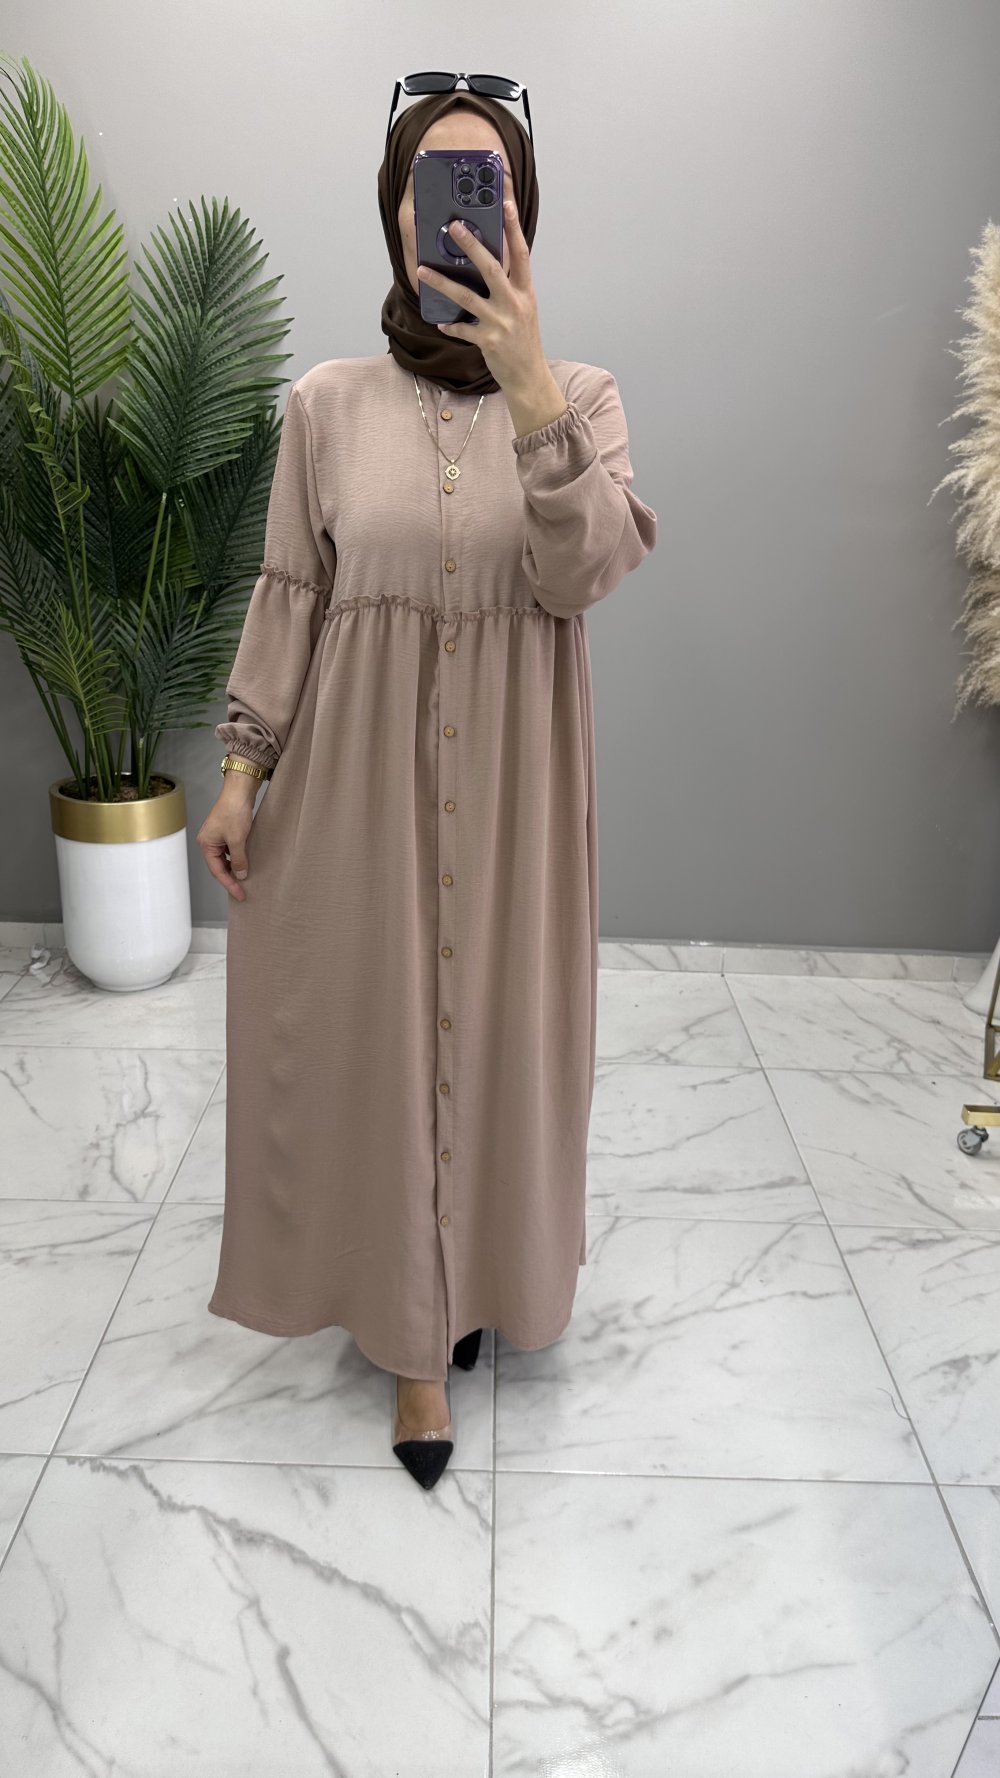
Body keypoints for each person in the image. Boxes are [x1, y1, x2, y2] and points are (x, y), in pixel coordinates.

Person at [196, 86, 658, 1491]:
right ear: (395, 212)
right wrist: (240, 771)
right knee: (378, 1041)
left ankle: (482, 1276)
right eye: (432, 184)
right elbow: (292, 592)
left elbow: (583, 575)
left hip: (515, 801)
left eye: (485, 182)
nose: (456, 211)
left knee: (502, 1035)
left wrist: (529, 387)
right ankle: (410, 1339)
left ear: (521, 211)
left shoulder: (583, 398)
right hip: (358, 790)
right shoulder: (325, 406)